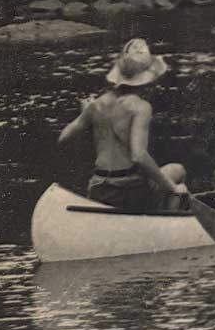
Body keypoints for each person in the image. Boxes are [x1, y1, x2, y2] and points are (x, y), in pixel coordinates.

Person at [58, 38, 190, 210]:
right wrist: (173, 188)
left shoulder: (95, 105)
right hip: (128, 189)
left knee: (174, 170)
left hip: (99, 186)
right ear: (147, 80)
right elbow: (138, 156)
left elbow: (63, 138)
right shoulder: (141, 107)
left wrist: (86, 113)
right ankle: (161, 227)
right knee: (178, 178)